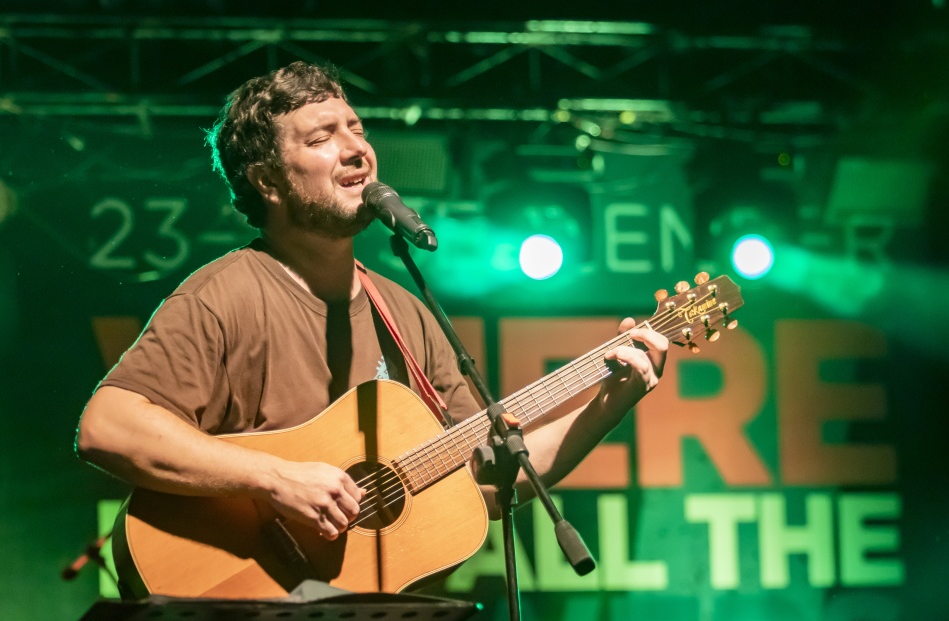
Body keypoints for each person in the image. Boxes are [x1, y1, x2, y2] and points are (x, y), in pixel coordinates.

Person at [76, 61, 668, 549]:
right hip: (240, 610)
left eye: (357, 129)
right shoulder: (225, 295)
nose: (356, 149)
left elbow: (484, 482)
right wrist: (277, 477)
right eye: (321, 138)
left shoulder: (405, 314)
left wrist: (606, 405)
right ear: (267, 181)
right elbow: (107, 428)